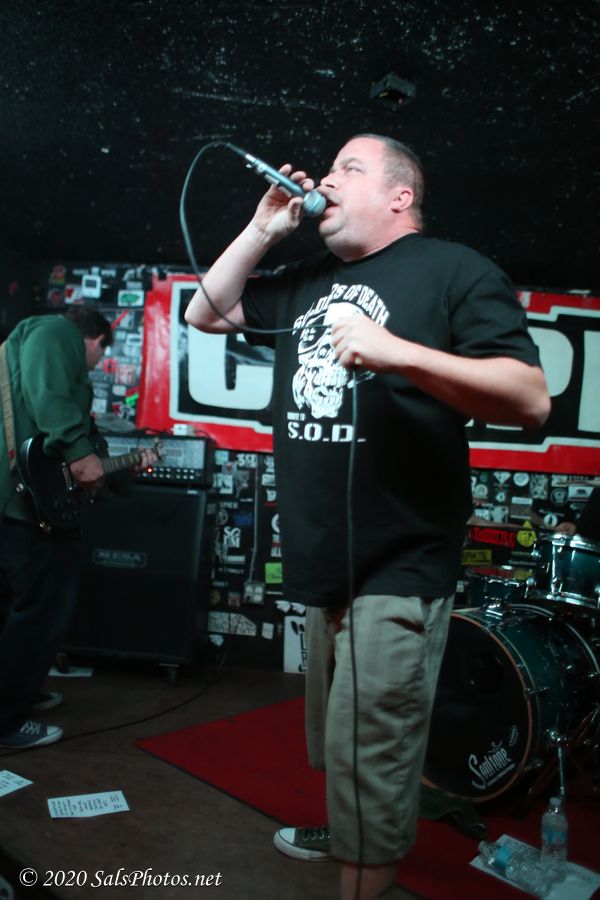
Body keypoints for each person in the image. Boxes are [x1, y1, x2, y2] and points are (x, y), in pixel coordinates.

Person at [185, 134, 551, 900]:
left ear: (399, 196)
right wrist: (262, 229)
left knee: (373, 748)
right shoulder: (309, 278)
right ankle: (350, 833)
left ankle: (364, 865)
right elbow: (204, 311)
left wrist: (397, 352)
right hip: (326, 558)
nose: (327, 179)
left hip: (401, 559)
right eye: (328, 169)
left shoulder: (454, 269)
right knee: (340, 743)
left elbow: (529, 397)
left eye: (348, 168)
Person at [0, 308, 155, 751]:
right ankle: (6, 719)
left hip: (22, 507)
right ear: (96, 340)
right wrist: (78, 450)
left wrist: (124, 473)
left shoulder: (56, 365)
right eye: (101, 354)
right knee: (41, 613)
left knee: (18, 610)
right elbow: (52, 403)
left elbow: (83, 453)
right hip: (22, 510)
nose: (96, 365)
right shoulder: (55, 331)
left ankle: (18, 694)